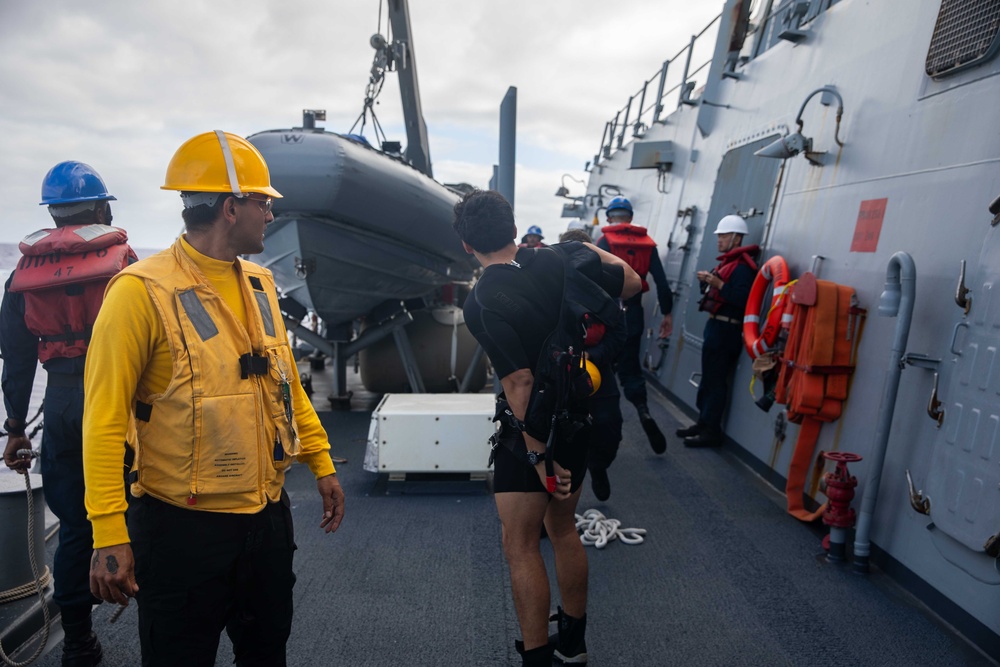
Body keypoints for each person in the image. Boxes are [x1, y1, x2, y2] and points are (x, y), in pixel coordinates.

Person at [82, 131, 345, 666]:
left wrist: (320, 461)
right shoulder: (139, 292)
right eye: (263, 202)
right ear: (231, 207)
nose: (271, 214)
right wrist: (110, 531)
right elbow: (104, 421)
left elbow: (286, 384)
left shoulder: (261, 283)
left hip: (266, 519)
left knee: (266, 653)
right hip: (182, 530)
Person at [454, 190, 640, 666]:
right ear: (515, 229)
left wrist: (537, 455)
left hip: (531, 431)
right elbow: (634, 283)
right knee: (563, 530)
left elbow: (518, 380)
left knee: (519, 543)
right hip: (579, 414)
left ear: (465, 245)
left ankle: (536, 657)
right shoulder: (560, 259)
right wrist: (585, 247)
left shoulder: (480, 303)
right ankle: (573, 647)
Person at [1, 161, 134, 667]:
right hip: (117, 402)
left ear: (53, 215)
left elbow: (15, 361)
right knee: (138, 512)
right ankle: (161, 629)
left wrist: (16, 429)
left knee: (77, 525)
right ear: (102, 208)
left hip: (58, 405)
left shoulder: (23, 276)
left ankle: (78, 643)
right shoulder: (126, 265)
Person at [596, 197, 673, 454]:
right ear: (629, 218)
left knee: (602, 370)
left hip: (607, 316)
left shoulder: (604, 242)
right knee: (631, 370)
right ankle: (643, 410)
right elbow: (662, 283)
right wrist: (668, 315)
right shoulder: (648, 246)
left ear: (609, 218)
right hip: (634, 315)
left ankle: (605, 427)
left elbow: (591, 280)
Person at [682, 214, 759, 447]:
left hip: (727, 329)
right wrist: (706, 282)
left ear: (737, 238)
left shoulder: (743, 269)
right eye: (719, 236)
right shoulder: (727, 264)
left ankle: (712, 431)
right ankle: (703, 422)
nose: (719, 240)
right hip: (715, 326)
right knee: (708, 379)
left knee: (716, 382)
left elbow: (744, 299)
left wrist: (719, 285)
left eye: (724, 236)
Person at [560, 228, 622, 501]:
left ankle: (599, 466)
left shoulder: (606, 291)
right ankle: (557, 494)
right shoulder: (552, 288)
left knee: (610, 428)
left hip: (599, 367)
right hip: (562, 369)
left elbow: (620, 333)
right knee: (560, 430)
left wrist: (594, 357)